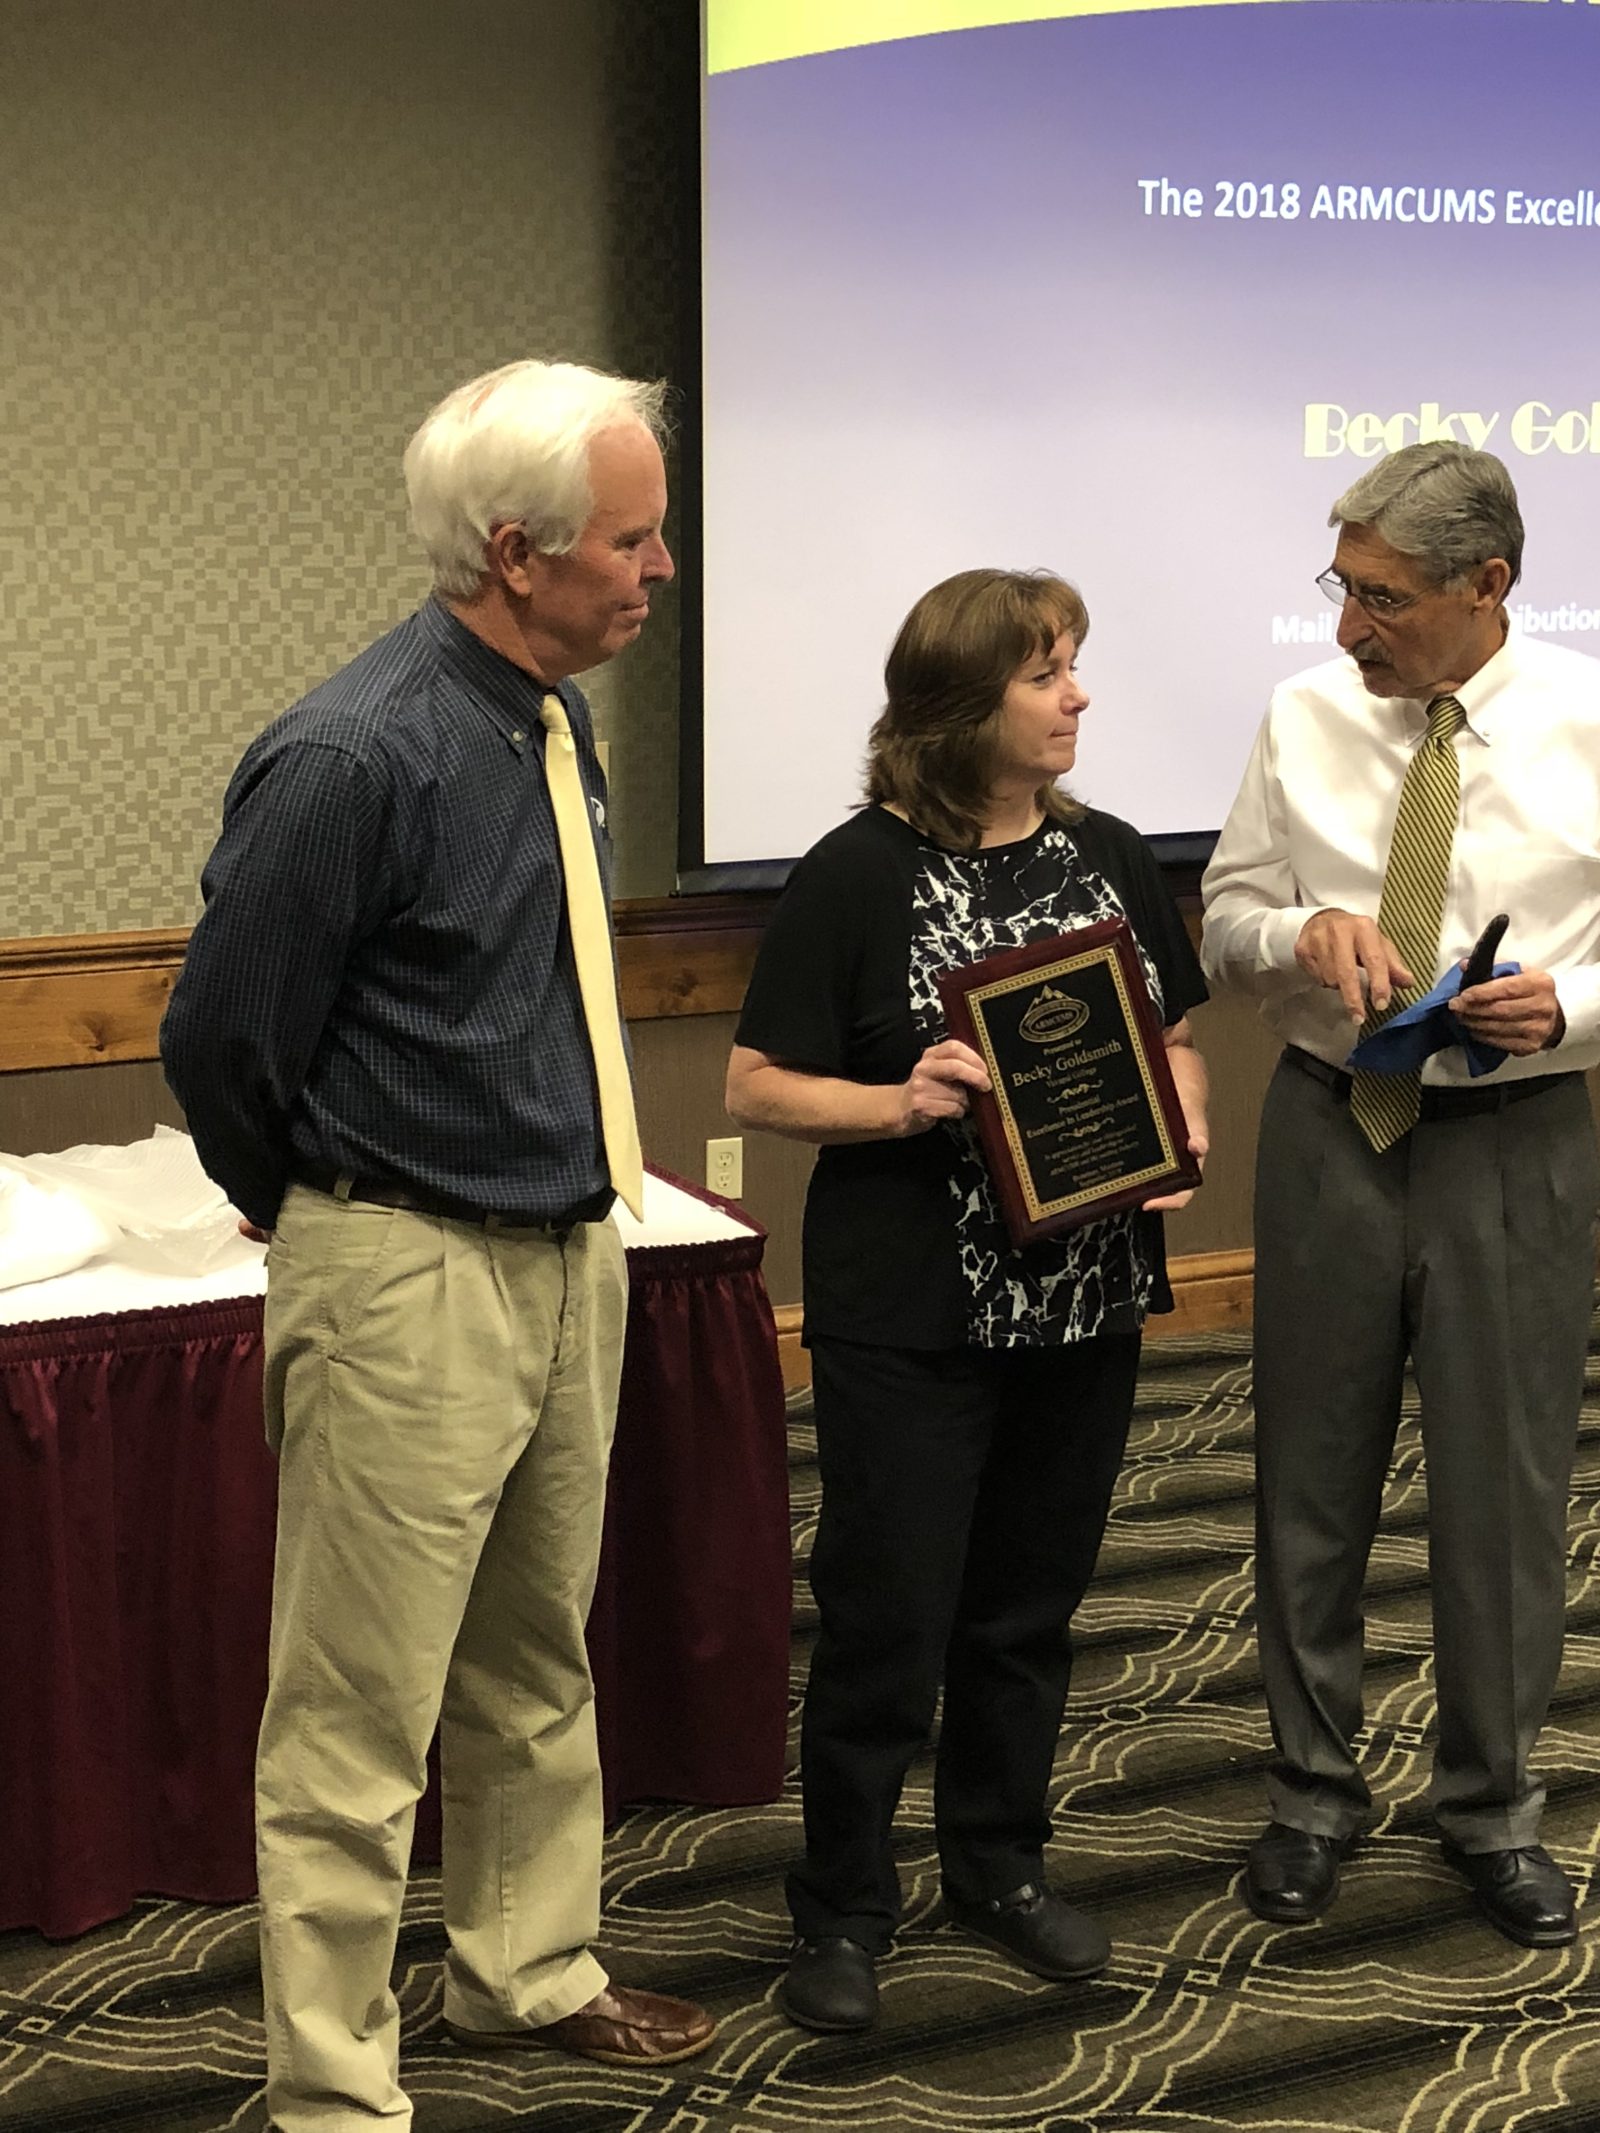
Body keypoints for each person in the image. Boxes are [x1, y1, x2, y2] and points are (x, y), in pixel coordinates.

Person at [161, 358, 715, 2133]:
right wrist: (321, 1197)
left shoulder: (553, 723)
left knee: (535, 1659)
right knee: (354, 1715)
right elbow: (221, 1039)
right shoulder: (355, 750)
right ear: (513, 548)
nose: (662, 568)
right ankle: (333, 2086)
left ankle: (525, 1967)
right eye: (633, 538)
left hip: (570, 1253)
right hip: (407, 1268)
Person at [726, 567, 1209, 2033]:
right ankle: (847, 1904)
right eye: (1046, 672)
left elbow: (1176, 1037)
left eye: (1074, 667)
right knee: (889, 1612)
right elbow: (753, 1085)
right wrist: (903, 1099)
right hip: (912, 1309)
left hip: (1087, 1298)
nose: (1077, 696)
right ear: (958, 703)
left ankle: (999, 1862)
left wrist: (1181, 1137)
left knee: (1027, 1608)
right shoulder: (853, 873)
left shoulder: (1115, 853)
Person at [1202, 441, 1600, 1947]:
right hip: (1331, 1130)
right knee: (1309, 1478)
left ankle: (1491, 1809)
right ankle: (1312, 1792)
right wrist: (1297, 934)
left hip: (1522, 1140)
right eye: (1343, 589)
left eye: (1386, 599)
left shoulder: (1587, 719)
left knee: (1506, 1496)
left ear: (1489, 587)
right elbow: (1225, 915)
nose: (1351, 628)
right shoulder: (1303, 717)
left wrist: (1564, 1009)